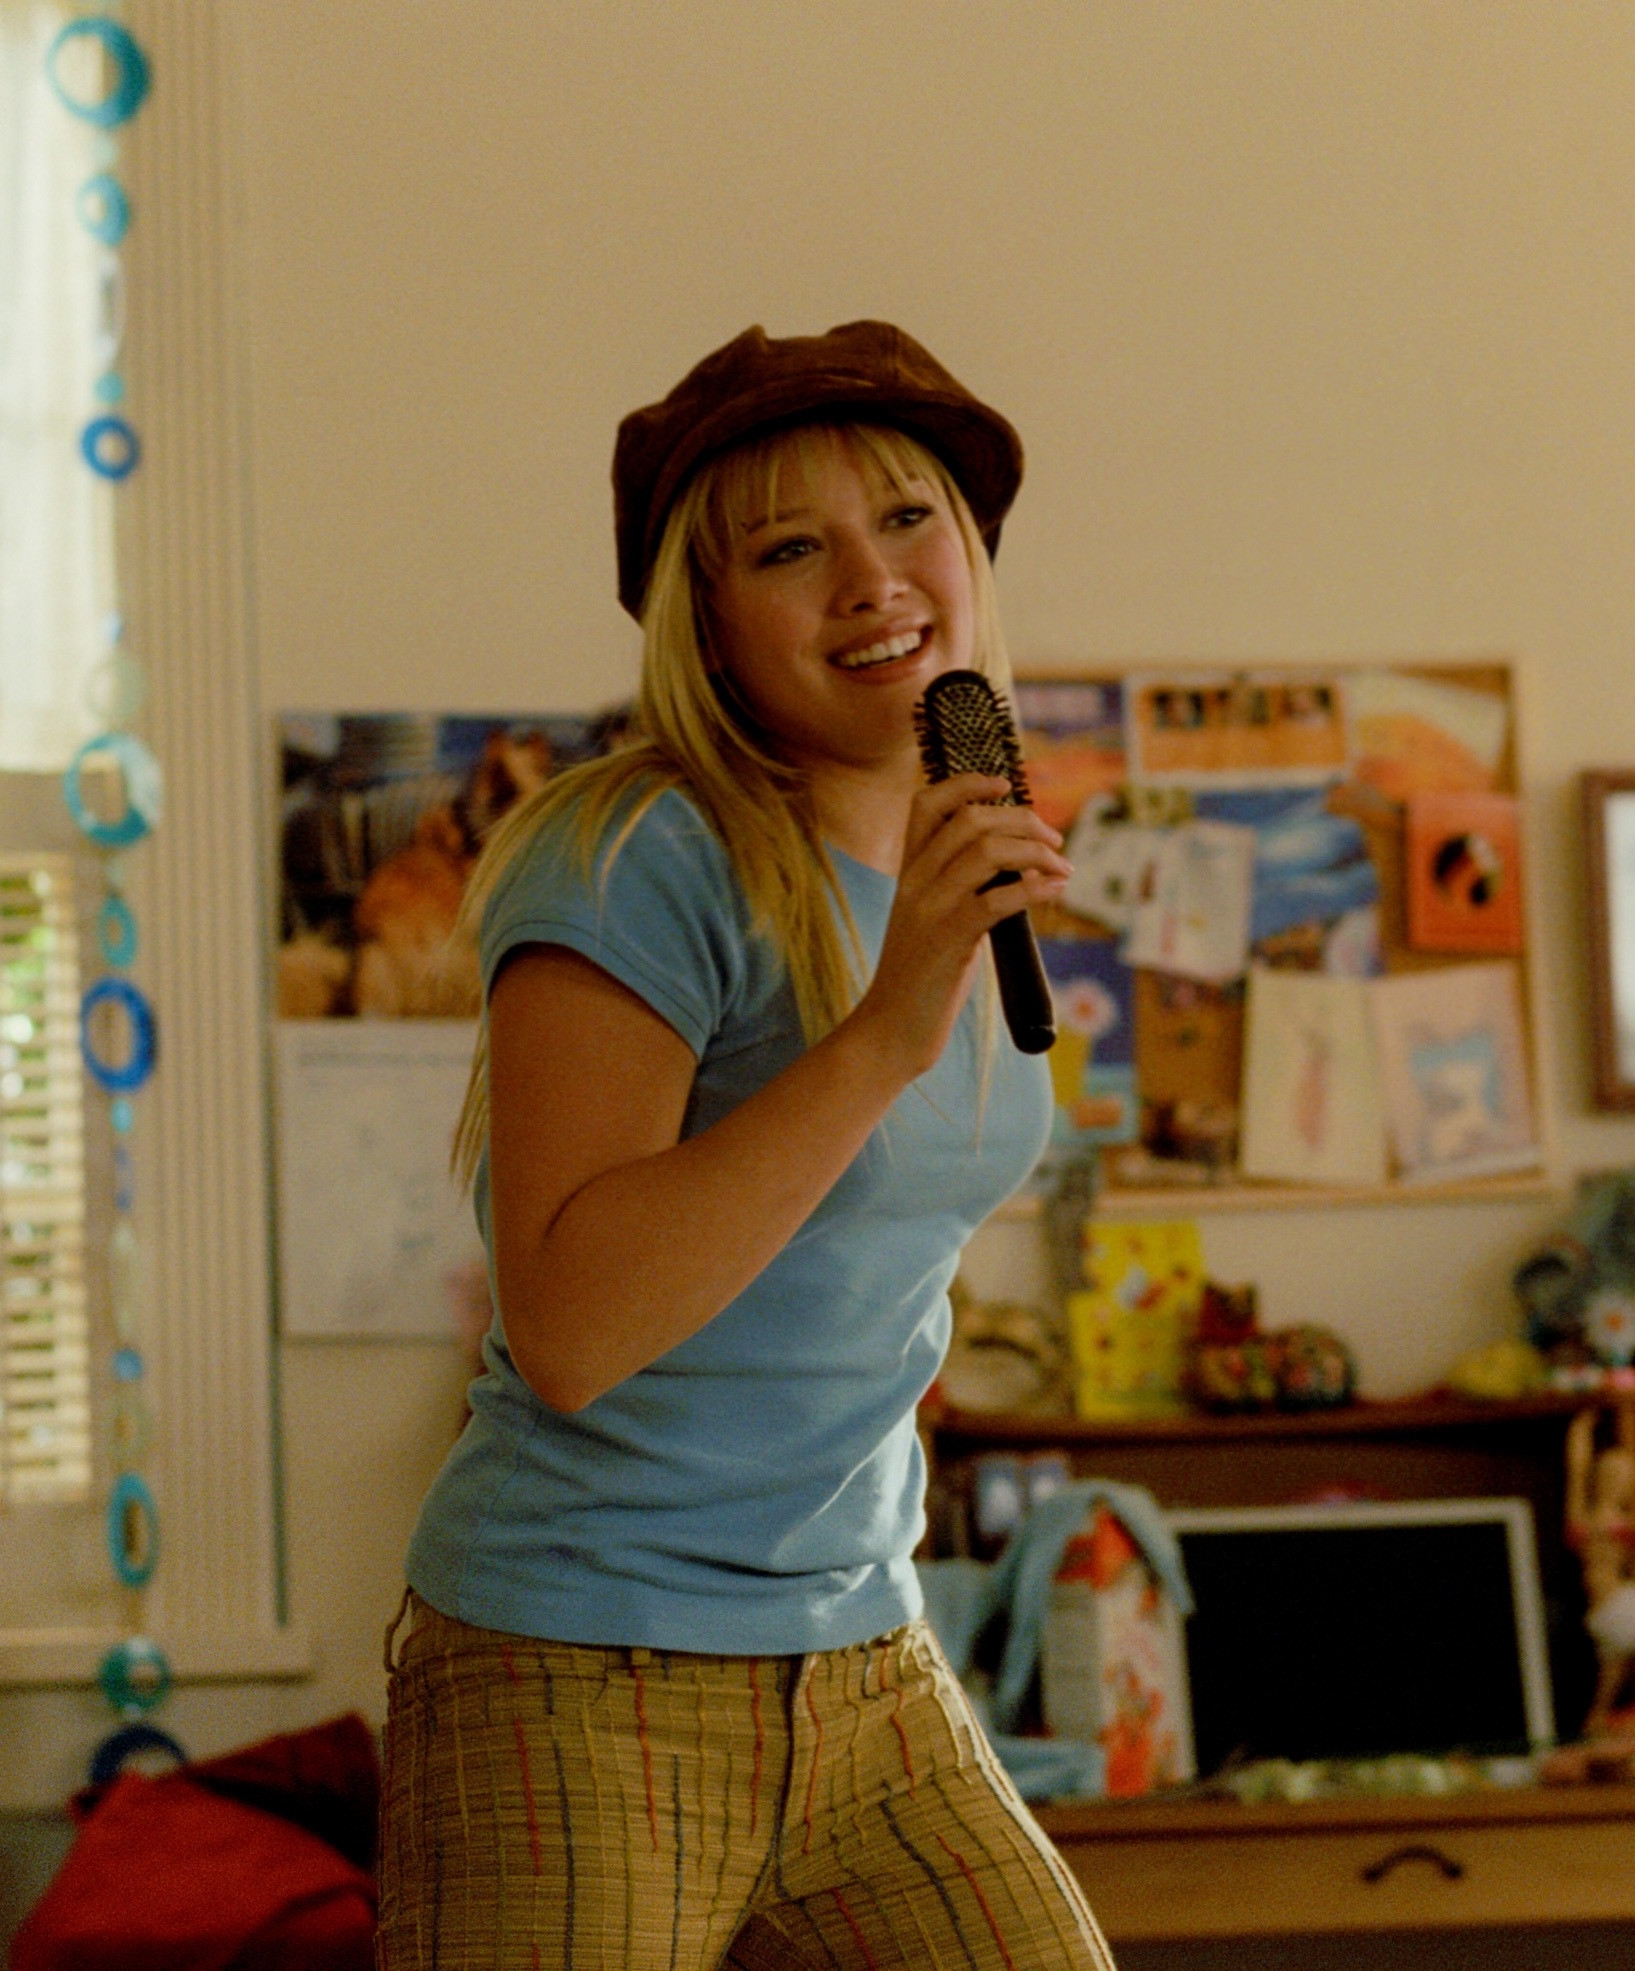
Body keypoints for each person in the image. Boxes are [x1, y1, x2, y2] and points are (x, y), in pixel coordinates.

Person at [376, 321, 1112, 1971]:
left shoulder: (959, 858)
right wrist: (887, 1024)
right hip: (581, 1660)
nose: (873, 581)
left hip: (867, 1653)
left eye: (908, 518)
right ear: (703, 623)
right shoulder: (637, 851)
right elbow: (570, 1328)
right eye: (791, 550)